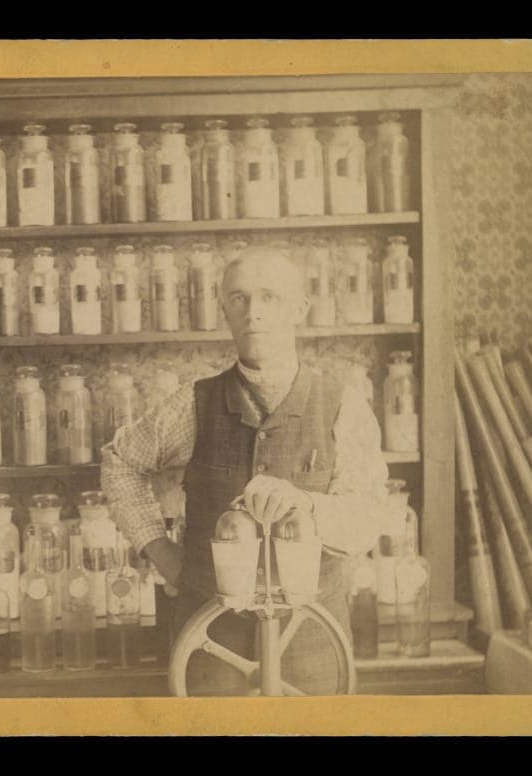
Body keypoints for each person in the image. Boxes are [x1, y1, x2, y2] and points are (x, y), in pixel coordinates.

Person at [101, 248, 388, 695]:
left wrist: (308, 506)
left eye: (270, 298)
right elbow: (120, 462)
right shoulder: (192, 404)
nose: (254, 313)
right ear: (225, 311)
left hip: (312, 641)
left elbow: (367, 519)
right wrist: (161, 551)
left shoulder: (343, 406)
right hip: (210, 640)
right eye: (240, 299)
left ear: (300, 309)